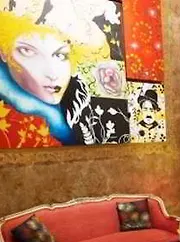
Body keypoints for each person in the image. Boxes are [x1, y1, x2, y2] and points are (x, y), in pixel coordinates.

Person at [0, 9, 109, 147]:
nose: (52, 74)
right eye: (27, 51)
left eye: (60, 55)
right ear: (4, 52)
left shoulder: (81, 101)